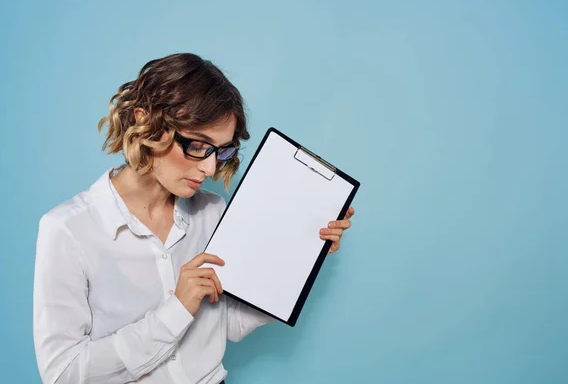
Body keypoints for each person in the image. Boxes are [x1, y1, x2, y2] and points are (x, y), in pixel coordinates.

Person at [33, 53, 355, 384]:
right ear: (147, 123)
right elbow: (63, 374)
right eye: (199, 146)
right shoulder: (68, 230)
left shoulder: (212, 212)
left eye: (221, 151)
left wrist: (304, 257)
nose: (210, 168)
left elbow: (230, 323)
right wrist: (177, 309)